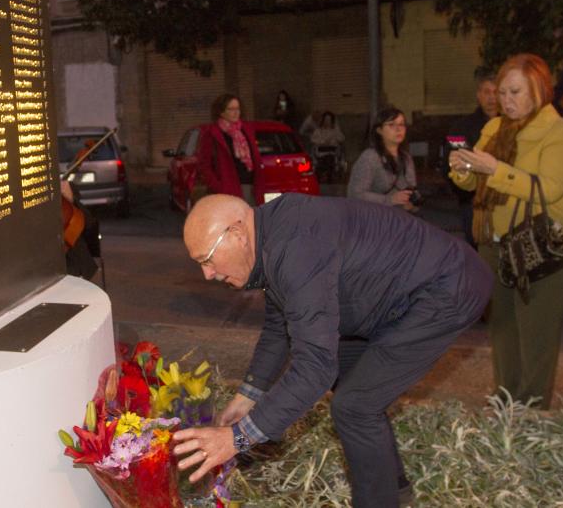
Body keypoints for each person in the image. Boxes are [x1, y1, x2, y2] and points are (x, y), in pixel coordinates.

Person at [171, 193, 492, 508]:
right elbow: (279, 323)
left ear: (238, 233)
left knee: (354, 406)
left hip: (445, 290)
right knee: (351, 378)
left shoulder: (295, 249)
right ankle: (392, 485)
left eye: (207, 259)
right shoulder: (272, 234)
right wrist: (248, 396)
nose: (207, 274)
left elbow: (315, 369)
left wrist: (239, 438)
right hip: (397, 297)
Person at [448, 53, 563, 409]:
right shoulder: (493, 128)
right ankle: (506, 397)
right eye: (502, 92)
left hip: (542, 240)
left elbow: (549, 188)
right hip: (495, 239)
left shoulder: (560, 131)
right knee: (502, 325)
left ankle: (532, 406)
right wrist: (462, 169)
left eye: (515, 92)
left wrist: (496, 170)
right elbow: (472, 182)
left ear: (538, 90)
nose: (505, 100)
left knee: (537, 329)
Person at [447, 73, 499, 246]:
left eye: (495, 92)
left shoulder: (512, 125)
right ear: (479, 95)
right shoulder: (461, 127)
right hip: (473, 200)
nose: (492, 98)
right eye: (487, 92)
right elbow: (453, 160)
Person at [196, 94, 262, 205]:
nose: (236, 112)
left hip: (251, 186)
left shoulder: (245, 130)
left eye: (238, 108)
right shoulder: (212, 133)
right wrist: (219, 187)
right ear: (221, 112)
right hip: (228, 190)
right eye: (231, 109)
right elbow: (204, 165)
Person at [347, 107, 418, 211]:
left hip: (398, 214)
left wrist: (411, 201)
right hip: (373, 214)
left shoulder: (406, 158)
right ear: (379, 130)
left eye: (402, 124)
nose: (398, 129)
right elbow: (355, 194)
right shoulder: (370, 157)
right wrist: (389, 200)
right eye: (391, 125)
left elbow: (411, 187)